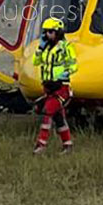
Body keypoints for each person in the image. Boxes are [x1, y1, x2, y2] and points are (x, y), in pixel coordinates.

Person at [31, 17, 78, 154]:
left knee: (48, 112)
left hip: (60, 87)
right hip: (48, 87)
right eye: (45, 32)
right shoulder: (45, 47)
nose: (47, 35)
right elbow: (36, 62)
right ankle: (68, 145)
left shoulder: (66, 47)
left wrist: (61, 76)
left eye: (50, 31)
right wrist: (40, 48)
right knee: (59, 118)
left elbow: (73, 65)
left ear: (58, 32)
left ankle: (41, 144)